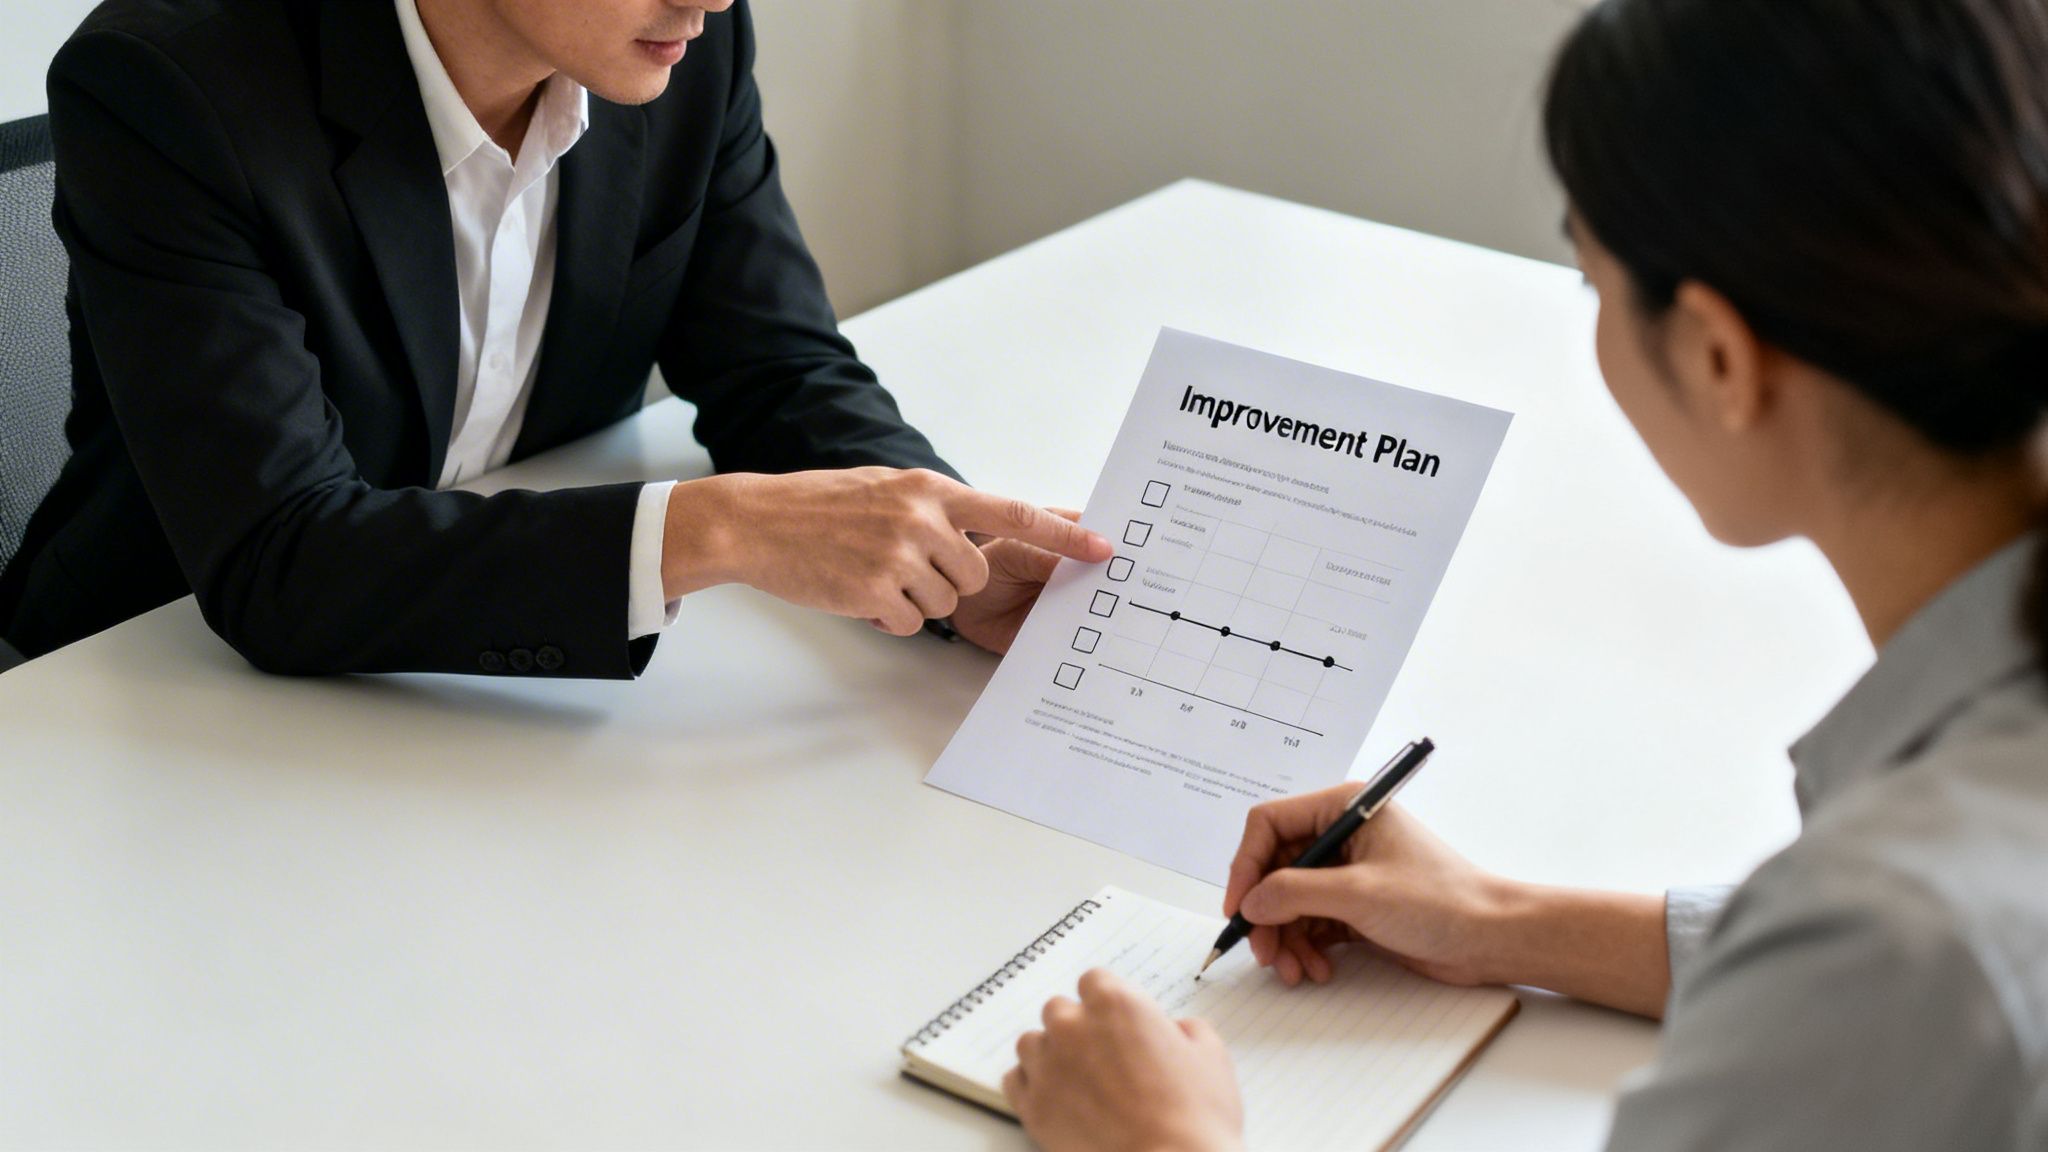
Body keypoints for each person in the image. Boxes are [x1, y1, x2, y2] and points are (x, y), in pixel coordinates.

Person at [1001, 0, 2048, 1148]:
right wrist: (1494, 917)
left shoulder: (1904, 937)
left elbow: (1887, 980)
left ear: (1715, 356)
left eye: (1591, 281)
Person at [0, 0, 1110, 675]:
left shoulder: (682, 58)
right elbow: (282, 561)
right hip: (145, 691)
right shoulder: (170, 91)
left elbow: (777, 368)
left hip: (481, 701)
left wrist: (943, 555)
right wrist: (716, 529)